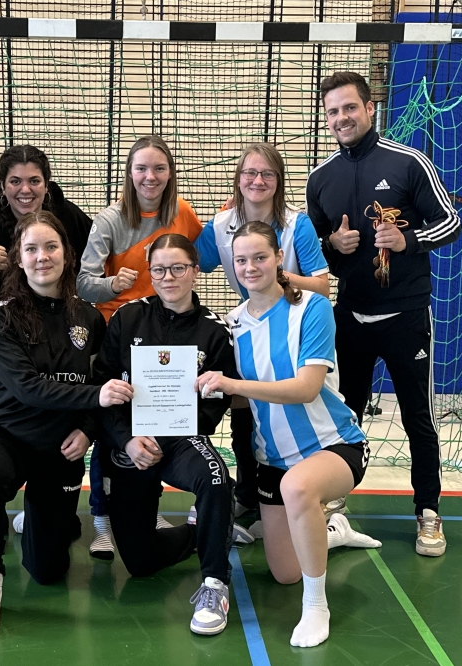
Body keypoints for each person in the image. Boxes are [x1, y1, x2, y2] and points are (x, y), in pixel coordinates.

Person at [196, 221, 381, 648]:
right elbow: (234, 397)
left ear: (279, 258)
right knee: (283, 572)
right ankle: (332, 529)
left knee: (299, 487)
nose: (249, 267)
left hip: (333, 445)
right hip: (272, 460)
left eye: (259, 257)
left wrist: (232, 384)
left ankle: (316, 606)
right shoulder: (234, 324)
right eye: (240, 260)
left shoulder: (311, 308)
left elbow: (305, 388)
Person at [306, 71, 462, 557]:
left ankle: (428, 514)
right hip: (350, 317)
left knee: (418, 417)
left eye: (349, 107)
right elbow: (313, 255)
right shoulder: (321, 179)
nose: (341, 118)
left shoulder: (409, 162)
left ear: (370, 108)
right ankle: (335, 510)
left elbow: (451, 221)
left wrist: (407, 239)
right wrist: (332, 244)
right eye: (332, 111)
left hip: (406, 315)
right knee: (342, 418)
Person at [0, 211, 133, 640]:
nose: (42, 257)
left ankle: (43, 522)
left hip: (61, 445)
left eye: (51, 247)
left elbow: (96, 381)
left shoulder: (89, 319)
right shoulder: (0, 316)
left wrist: (89, 429)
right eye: (31, 249)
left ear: (67, 254)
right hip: (7, 434)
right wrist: (96, 397)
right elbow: (27, 387)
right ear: (18, 257)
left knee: (48, 572)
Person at [93, 233, 237, 635]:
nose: (168, 276)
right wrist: (126, 440)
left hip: (181, 439)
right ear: (149, 273)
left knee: (215, 480)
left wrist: (182, 425)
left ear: (195, 272)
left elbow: (216, 402)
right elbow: (102, 391)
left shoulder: (215, 331)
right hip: (132, 443)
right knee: (139, 564)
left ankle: (214, 582)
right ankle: (199, 531)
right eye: (159, 269)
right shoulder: (127, 318)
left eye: (178, 268)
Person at [78, 135, 204, 557]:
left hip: (166, 341)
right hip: (120, 334)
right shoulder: (111, 220)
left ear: (170, 174)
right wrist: (113, 284)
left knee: (158, 424)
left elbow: (208, 255)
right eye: (141, 169)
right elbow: (82, 282)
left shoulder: (182, 213)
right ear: (129, 173)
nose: (150, 177)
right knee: (111, 425)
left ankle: (146, 507)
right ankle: (101, 518)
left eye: (159, 169)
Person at [195, 142, 331, 524]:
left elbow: (322, 286)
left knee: (296, 404)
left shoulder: (295, 223)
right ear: (237, 180)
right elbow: (193, 262)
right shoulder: (221, 225)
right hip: (248, 323)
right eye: (250, 173)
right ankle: (249, 495)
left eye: (267, 174)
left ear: (279, 180)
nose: (258, 180)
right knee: (244, 407)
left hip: (291, 324)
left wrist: (275, 276)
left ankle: (312, 491)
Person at [0, 145, 93, 427]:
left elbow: (101, 258)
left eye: (34, 181)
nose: (25, 190)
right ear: (3, 187)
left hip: (58, 347)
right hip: (4, 351)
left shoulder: (69, 220)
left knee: (54, 437)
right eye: (15, 181)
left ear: (47, 185)